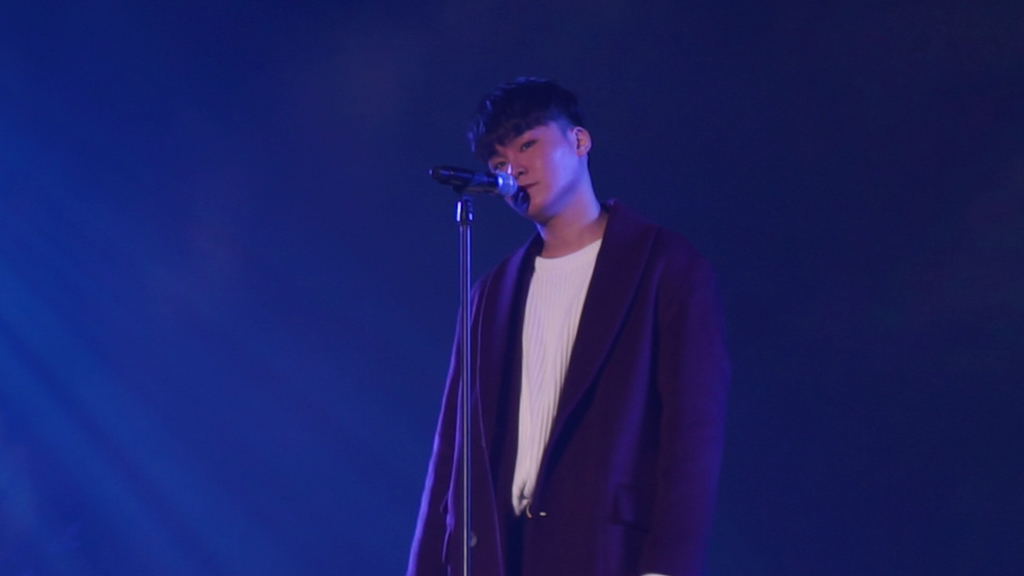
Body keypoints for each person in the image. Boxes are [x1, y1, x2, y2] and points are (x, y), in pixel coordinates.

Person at [407, 77, 730, 576]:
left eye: (527, 145)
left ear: (579, 141)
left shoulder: (665, 265)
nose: (513, 169)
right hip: (500, 554)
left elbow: (691, 437)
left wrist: (667, 567)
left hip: (606, 551)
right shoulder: (490, 295)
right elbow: (452, 451)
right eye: (498, 163)